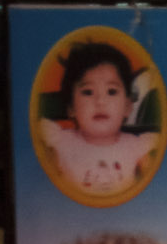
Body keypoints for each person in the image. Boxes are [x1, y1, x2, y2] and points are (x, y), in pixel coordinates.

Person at [40, 41, 158, 198]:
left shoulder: (137, 148)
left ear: (127, 106)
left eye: (111, 91)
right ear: (71, 108)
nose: (100, 102)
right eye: (88, 92)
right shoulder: (59, 142)